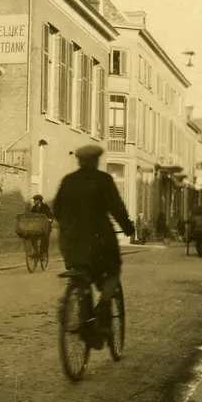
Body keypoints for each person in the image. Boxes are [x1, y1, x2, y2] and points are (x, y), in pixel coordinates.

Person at [53, 144, 135, 347]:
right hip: (100, 241)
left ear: (79, 161)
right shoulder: (103, 180)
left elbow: (56, 210)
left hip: (72, 244)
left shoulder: (68, 181)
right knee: (112, 271)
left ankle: (83, 316)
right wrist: (128, 228)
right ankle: (104, 307)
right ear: (96, 161)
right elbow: (116, 207)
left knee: (81, 275)